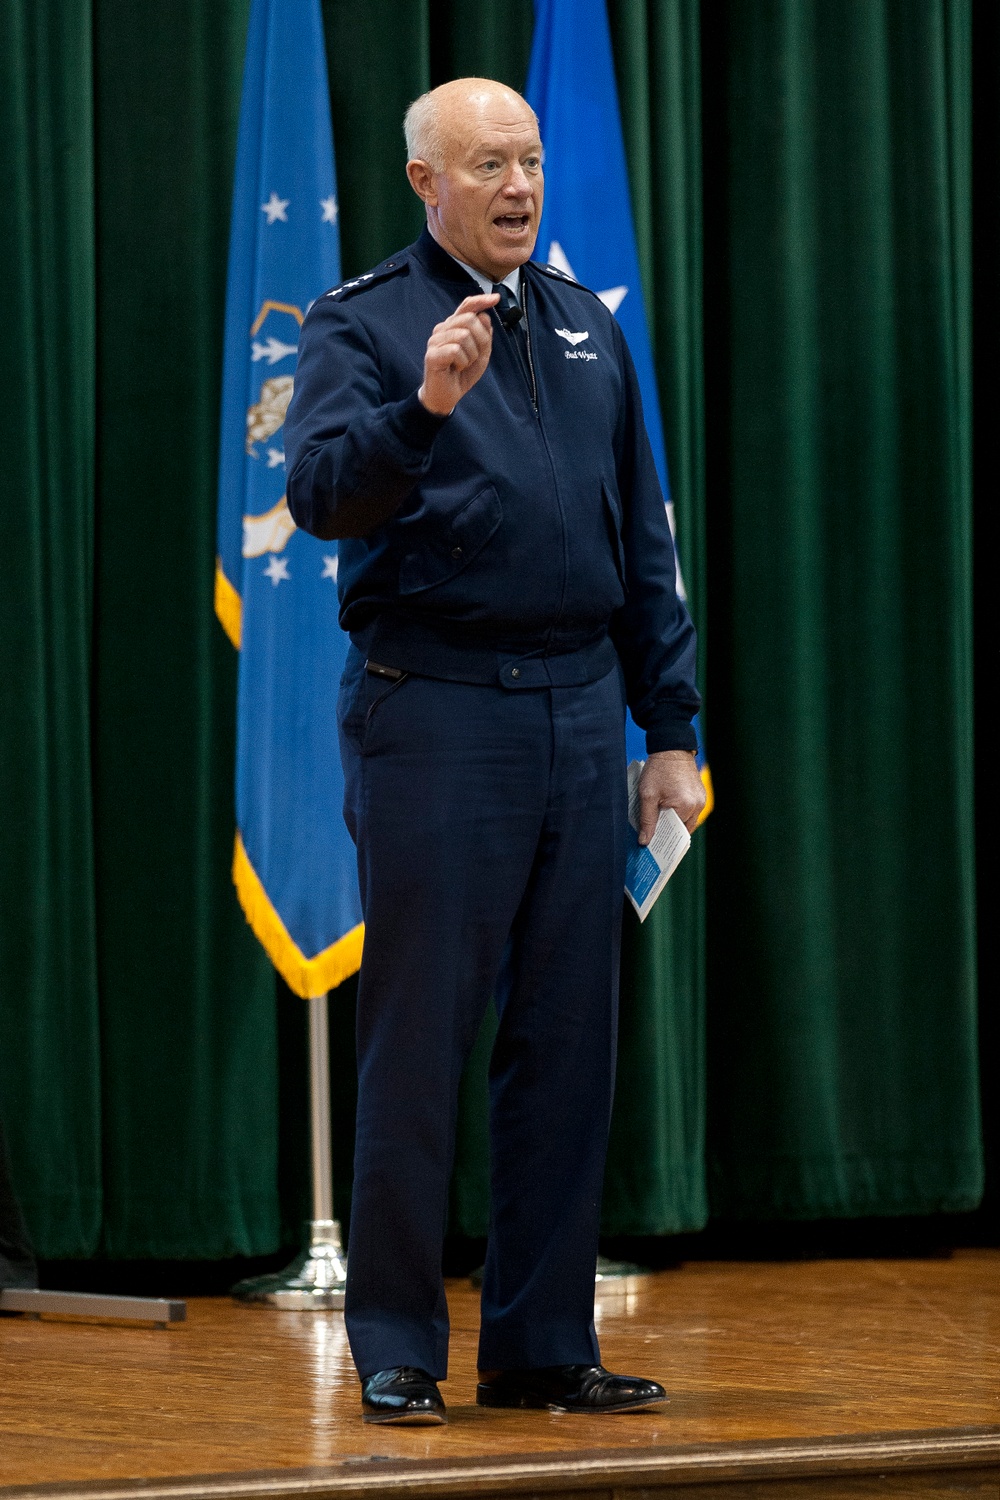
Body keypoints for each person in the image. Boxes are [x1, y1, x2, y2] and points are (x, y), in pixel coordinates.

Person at [284, 78, 705, 1425]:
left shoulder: (589, 325)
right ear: (427, 185)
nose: (521, 186)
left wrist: (672, 730)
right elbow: (317, 493)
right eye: (490, 166)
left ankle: (541, 1345)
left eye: (530, 161)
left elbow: (642, 542)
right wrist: (424, 407)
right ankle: (400, 1345)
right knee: (420, 1038)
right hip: (436, 717)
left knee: (566, 1042)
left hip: (583, 721)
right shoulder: (364, 322)